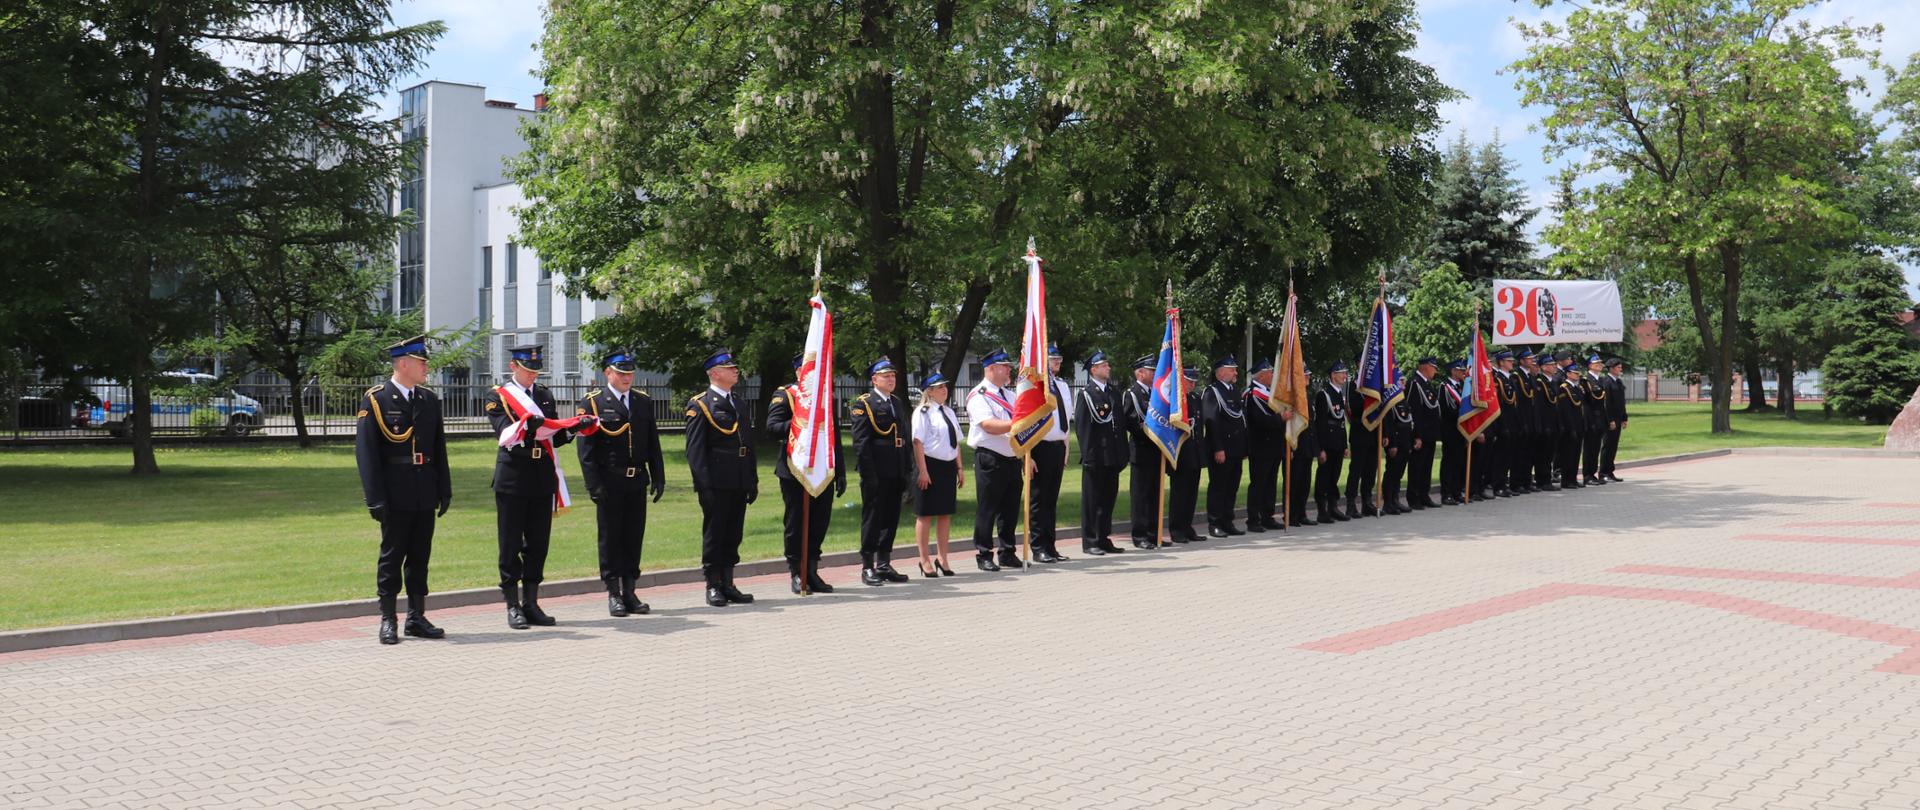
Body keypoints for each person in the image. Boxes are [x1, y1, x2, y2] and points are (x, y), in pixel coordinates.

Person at [485, 343, 590, 629]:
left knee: (537, 544)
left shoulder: (543, 394)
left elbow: (552, 436)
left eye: (535, 370)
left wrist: (572, 429)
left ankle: (531, 602)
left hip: (542, 477)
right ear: (513, 368)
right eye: (527, 370)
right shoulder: (498, 396)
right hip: (513, 477)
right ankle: (512, 605)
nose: (533, 375)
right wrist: (528, 425)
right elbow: (503, 433)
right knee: (510, 543)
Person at [356, 334, 452, 645]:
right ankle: (388, 618)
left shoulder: (428, 400)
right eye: (421, 362)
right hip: (394, 492)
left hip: (424, 488)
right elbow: (367, 454)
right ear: (403, 363)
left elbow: (439, 448)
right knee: (392, 556)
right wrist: (375, 498)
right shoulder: (376, 399)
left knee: (420, 556)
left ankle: (416, 616)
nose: (426, 367)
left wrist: (444, 488)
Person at [575, 348, 665, 617]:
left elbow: (652, 443)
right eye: (621, 373)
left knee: (633, 536)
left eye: (630, 373)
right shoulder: (592, 403)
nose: (627, 378)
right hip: (610, 481)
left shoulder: (642, 401)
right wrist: (594, 485)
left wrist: (658, 475)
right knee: (611, 538)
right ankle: (613, 592)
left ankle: (630, 590)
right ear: (608, 373)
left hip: (636, 479)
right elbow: (586, 451)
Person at [764, 353, 847, 595]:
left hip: (823, 469)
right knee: (796, 522)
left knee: (819, 522)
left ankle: (811, 570)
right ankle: (796, 572)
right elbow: (771, 428)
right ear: (799, 372)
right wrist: (800, 422)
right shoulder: (786, 395)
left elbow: (834, 436)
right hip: (795, 469)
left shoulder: (825, 398)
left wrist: (839, 470)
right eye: (809, 370)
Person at [685, 348, 758, 607]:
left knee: (733, 533)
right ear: (715, 374)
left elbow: (747, 444)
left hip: (738, 479)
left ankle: (728, 582)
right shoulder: (701, 405)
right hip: (717, 481)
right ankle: (713, 584)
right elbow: (695, 451)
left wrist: (752, 479)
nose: (735, 371)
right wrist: (704, 485)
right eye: (729, 368)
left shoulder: (738, 401)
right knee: (715, 533)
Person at [851, 357, 915, 584]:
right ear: (874, 379)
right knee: (873, 518)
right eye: (886, 376)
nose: (891, 379)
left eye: (893, 375)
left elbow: (904, 438)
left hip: (896, 468)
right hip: (876, 470)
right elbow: (861, 443)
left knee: (890, 518)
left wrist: (907, 470)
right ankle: (868, 565)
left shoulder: (896, 402)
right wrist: (869, 474)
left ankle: (884, 563)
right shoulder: (864, 404)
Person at [966, 350, 1025, 571]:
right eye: (1004, 366)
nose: (1009, 369)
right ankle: (984, 553)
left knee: (1010, 509)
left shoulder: (1009, 396)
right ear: (990, 368)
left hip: (1012, 457)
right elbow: (988, 425)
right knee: (988, 508)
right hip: (990, 458)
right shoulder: (978, 395)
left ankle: (1007, 551)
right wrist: (1018, 424)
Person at [1074, 350, 1129, 555]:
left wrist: (1123, 453)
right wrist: (1088, 455)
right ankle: (1090, 541)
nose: (1108, 368)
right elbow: (1083, 428)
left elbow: (1120, 425)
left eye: (1108, 364)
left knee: (1108, 499)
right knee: (1092, 501)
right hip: (1096, 456)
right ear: (1093, 369)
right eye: (1104, 365)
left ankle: (1104, 537)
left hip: (1112, 455)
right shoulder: (1086, 394)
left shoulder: (1113, 392)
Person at [1026, 344, 1075, 563]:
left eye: (1059, 358)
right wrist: (1028, 454)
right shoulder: (1034, 385)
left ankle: (1050, 545)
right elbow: (1026, 421)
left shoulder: (1062, 386)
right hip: (1040, 446)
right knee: (1039, 499)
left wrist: (1066, 447)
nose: (1057, 362)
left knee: (1051, 500)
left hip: (1057, 447)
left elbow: (1066, 419)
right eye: (1053, 359)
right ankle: (1038, 547)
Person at [911, 373, 963, 577]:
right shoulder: (923, 412)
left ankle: (943, 558)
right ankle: (924, 560)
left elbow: (956, 442)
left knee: (945, 513)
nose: (944, 390)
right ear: (929, 392)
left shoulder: (949, 412)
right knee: (925, 514)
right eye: (939, 387)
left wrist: (959, 468)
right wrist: (923, 471)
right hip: (930, 465)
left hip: (948, 466)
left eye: (945, 386)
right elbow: (918, 442)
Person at [1202, 355, 1248, 538]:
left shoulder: (1234, 391)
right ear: (1220, 372)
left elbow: (1241, 420)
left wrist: (1244, 448)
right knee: (1219, 487)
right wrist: (1218, 448)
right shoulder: (1212, 392)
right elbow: (1212, 422)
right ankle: (1214, 523)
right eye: (1232, 369)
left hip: (1236, 448)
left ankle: (1227, 521)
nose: (1235, 372)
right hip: (1222, 449)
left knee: (1232, 487)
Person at [1122, 355, 1163, 548]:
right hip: (1141, 450)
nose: (1155, 374)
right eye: (1151, 371)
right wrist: (1151, 433)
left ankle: (1154, 533)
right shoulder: (1132, 394)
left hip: (1157, 450)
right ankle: (1140, 536)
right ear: (1140, 373)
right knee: (1141, 495)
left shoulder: (1156, 394)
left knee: (1155, 494)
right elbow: (1130, 420)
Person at [1242, 358, 1285, 532]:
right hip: (1260, 446)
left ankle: (1268, 516)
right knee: (1258, 483)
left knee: (1271, 483)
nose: (1273, 375)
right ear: (1261, 375)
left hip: (1274, 445)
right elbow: (1260, 420)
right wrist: (1280, 418)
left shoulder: (1269, 393)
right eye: (1270, 372)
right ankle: (1253, 519)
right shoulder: (1252, 394)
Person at [1167, 367, 1207, 543]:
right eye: (1189, 381)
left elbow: (1198, 426)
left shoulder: (1195, 398)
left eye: (1194, 381)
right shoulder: (1175, 401)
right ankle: (1177, 529)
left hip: (1195, 452)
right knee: (1180, 494)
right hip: (1181, 453)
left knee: (1191, 493)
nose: (1193, 384)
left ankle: (1187, 526)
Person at [1312, 361, 1351, 523]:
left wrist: (1345, 444)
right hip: (1327, 442)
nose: (1344, 376)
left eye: (1345, 373)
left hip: (1337, 442)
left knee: (1334, 476)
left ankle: (1333, 507)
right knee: (1324, 477)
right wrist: (1320, 448)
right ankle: (1322, 510)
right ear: (1333, 375)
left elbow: (1341, 421)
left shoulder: (1338, 394)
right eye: (1341, 373)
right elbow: (1320, 424)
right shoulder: (1324, 394)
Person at [1405, 357, 1444, 509]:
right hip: (1420, 434)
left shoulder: (1427, 385)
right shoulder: (1414, 384)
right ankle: (1413, 497)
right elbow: (1413, 412)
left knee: (1426, 466)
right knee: (1417, 466)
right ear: (1425, 367)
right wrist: (1416, 435)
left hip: (1430, 433)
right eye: (1433, 367)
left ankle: (1424, 494)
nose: (1435, 371)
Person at [1344, 366, 1381, 518]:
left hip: (1374, 434)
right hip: (1360, 434)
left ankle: (1367, 502)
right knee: (1356, 470)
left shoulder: (1375, 385)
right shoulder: (1354, 386)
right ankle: (1351, 503)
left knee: (1371, 470)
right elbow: (1355, 409)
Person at [1284, 372, 1319, 528]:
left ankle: (1301, 513)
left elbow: (1312, 424)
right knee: (1294, 482)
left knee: (1305, 483)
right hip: (1296, 446)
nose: (1308, 378)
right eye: (1305, 375)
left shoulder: (1307, 396)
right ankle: (1290, 515)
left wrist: (1316, 448)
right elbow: (1289, 425)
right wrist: (1289, 447)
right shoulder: (1291, 397)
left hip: (1307, 446)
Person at [1508, 349, 1540, 495]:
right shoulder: (1516, 376)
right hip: (1522, 421)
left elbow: (1533, 401)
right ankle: (1517, 483)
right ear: (1521, 361)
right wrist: (1523, 423)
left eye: (1532, 358)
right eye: (1529, 359)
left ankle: (1526, 481)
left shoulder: (1530, 376)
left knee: (1529, 454)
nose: (1532, 361)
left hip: (1532, 420)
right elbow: (1519, 402)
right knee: (1519, 455)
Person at [1530, 352, 1562, 491]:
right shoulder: (1539, 382)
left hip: (1553, 423)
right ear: (1543, 367)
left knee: (1549, 454)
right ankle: (1542, 480)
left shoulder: (1553, 381)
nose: (1554, 367)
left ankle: (1546, 479)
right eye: (1550, 365)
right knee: (1542, 454)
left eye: (1554, 364)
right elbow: (1539, 406)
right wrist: (1543, 424)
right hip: (1544, 424)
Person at [1553, 353, 1585, 489]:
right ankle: (1566, 480)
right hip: (1569, 427)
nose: (1577, 375)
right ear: (1568, 374)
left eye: (1578, 373)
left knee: (1576, 454)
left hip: (1578, 425)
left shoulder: (1577, 388)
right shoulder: (1564, 388)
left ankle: (1573, 478)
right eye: (1574, 373)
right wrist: (1570, 428)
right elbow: (1565, 411)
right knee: (1568, 455)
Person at [1490, 350, 1519, 498]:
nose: (1511, 363)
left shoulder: (1510, 379)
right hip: (1503, 423)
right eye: (1508, 361)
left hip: (1512, 423)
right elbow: (1498, 405)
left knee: (1508, 456)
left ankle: (1504, 483)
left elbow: (1513, 403)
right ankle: (1498, 485)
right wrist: (1501, 426)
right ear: (1501, 363)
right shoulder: (1497, 380)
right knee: (1500, 457)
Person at [1438, 359, 1467, 505]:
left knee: (1460, 462)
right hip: (1450, 431)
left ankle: (1456, 491)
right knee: (1449, 462)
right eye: (1461, 370)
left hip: (1461, 431)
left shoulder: (1463, 387)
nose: (1463, 373)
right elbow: (1447, 410)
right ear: (1453, 371)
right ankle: (1446, 493)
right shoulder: (1445, 387)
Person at [1380, 393, 1414, 514]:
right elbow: (1389, 423)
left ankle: (1395, 499)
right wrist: (1392, 444)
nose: (1403, 383)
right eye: (1400, 381)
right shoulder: (1390, 399)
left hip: (1405, 441)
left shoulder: (1403, 400)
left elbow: (1408, 423)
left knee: (1399, 473)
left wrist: (1409, 443)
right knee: (1391, 472)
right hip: (1396, 442)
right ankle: (1388, 502)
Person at [1581, 354, 1610, 486]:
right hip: (1591, 419)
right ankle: (1587, 475)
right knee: (1589, 449)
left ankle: (1593, 473)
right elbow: (1586, 404)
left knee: (1596, 448)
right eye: (1596, 363)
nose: (1599, 365)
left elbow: (1603, 403)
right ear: (1590, 365)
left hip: (1600, 419)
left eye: (1600, 363)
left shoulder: (1600, 380)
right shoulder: (1586, 380)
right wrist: (1589, 421)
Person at [1602, 358, 1629, 482]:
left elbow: (1621, 402)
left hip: (1618, 418)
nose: (1620, 369)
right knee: (1607, 446)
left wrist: (1624, 418)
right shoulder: (1606, 382)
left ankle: (1610, 471)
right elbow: (1607, 403)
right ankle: (1603, 472)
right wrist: (1610, 420)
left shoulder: (1618, 382)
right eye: (1618, 367)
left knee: (1613, 446)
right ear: (1611, 368)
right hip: (1611, 419)